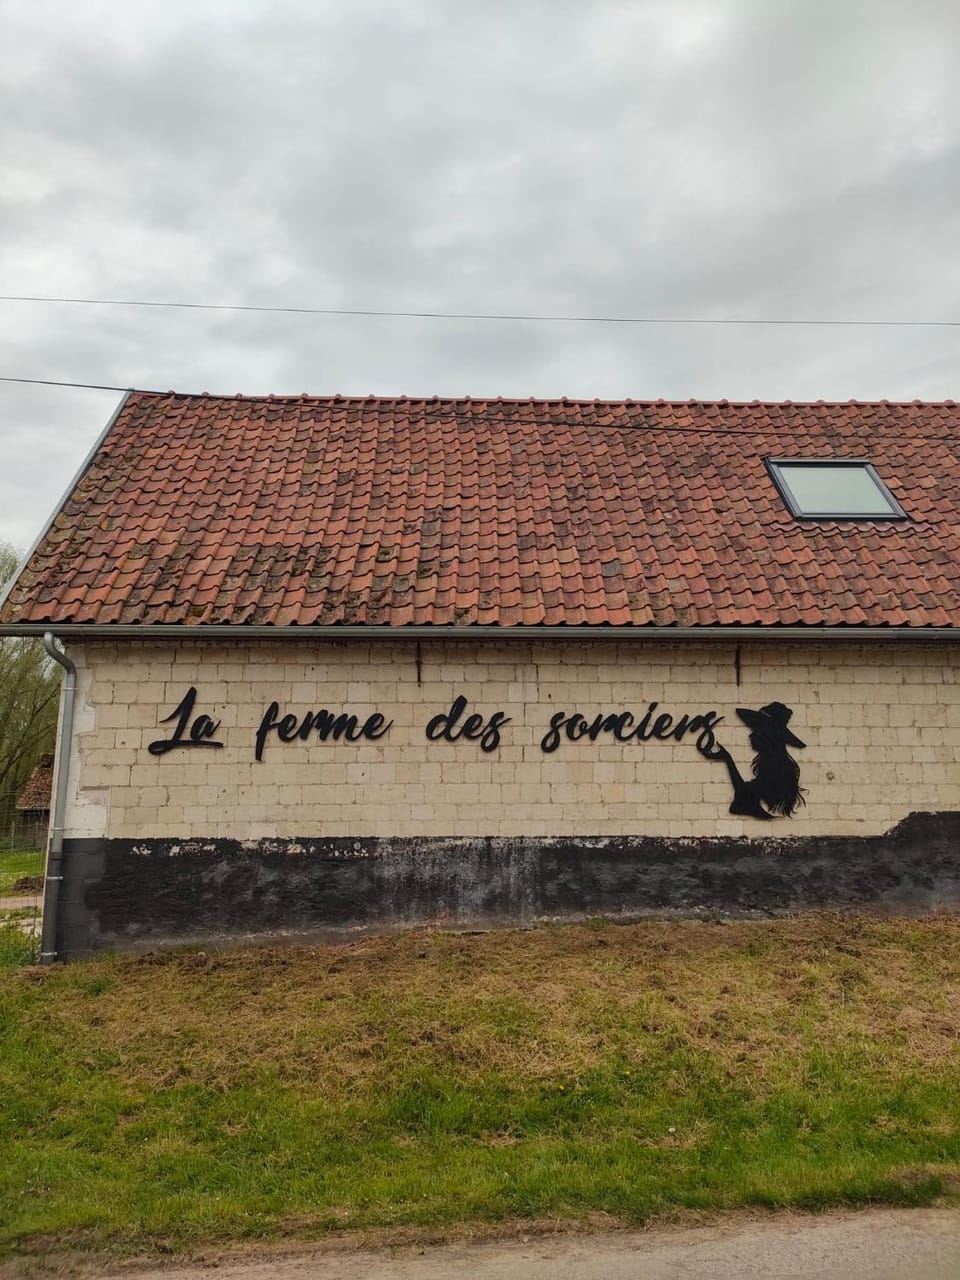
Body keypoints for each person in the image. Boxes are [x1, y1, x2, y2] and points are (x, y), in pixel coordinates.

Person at [700, 701, 806, 820]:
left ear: (768, 735)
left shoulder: (774, 767)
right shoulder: (772, 762)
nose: (751, 735)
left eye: (756, 730)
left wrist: (727, 758)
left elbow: (745, 795)